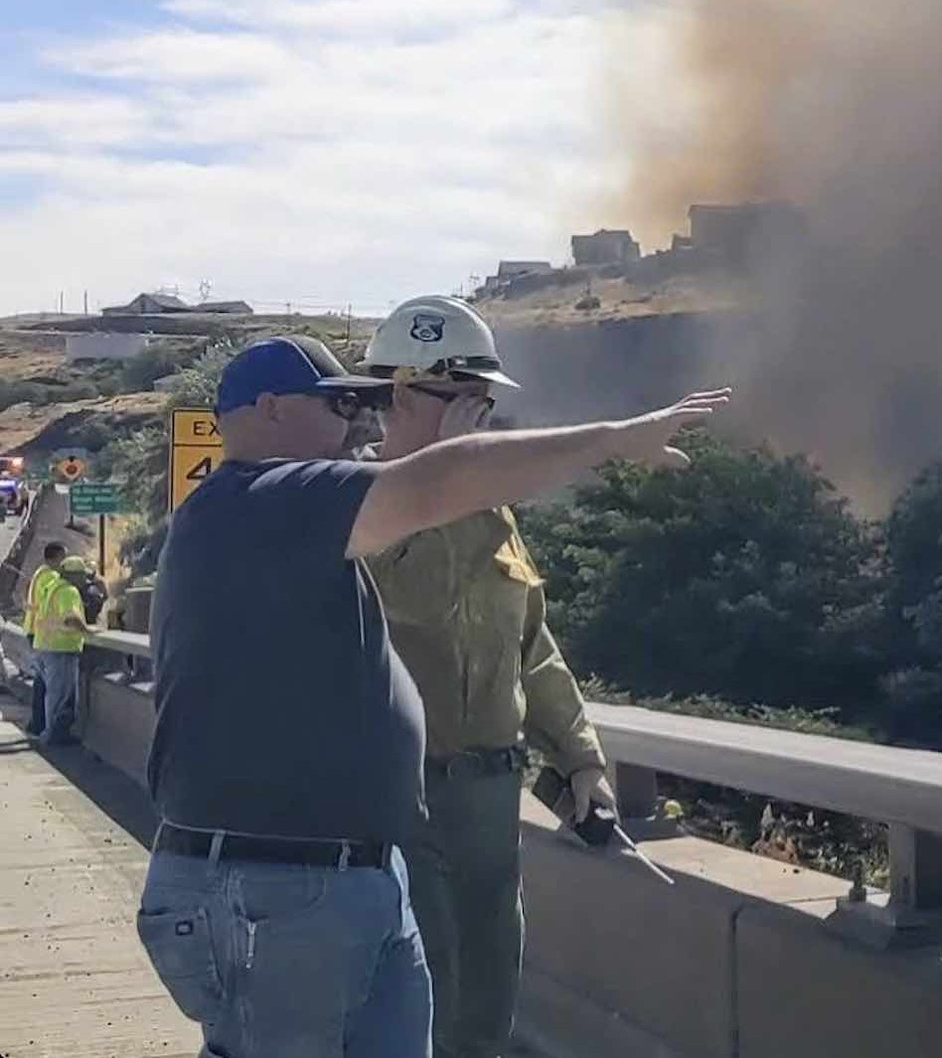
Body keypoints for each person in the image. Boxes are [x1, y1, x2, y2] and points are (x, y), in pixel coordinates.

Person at [134, 333, 728, 1058]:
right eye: (342, 403)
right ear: (268, 410)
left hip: (351, 874)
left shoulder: (293, 519)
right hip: (276, 889)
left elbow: (524, 644)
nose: (363, 421)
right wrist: (611, 439)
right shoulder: (267, 499)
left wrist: (577, 753)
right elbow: (434, 489)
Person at [358, 295, 610, 1058]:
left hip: (490, 791)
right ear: (402, 394)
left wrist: (581, 754)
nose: (482, 421)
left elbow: (529, 642)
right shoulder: (354, 502)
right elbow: (416, 599)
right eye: (462, 402)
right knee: (425, 990)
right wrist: (457, 487)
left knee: (489, 996)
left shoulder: (490, 509)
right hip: (403, 791)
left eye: (485, 405)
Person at [27, 543, 88, 746]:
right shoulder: (69, 590)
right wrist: (87, 630)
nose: (84, 579)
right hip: (60, 648)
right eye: (82, 575)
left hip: (43, 644)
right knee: (59, 696)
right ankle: (52, 735)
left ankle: (47, 731)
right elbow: (71, 617)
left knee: (50, 693)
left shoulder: (52, 584)